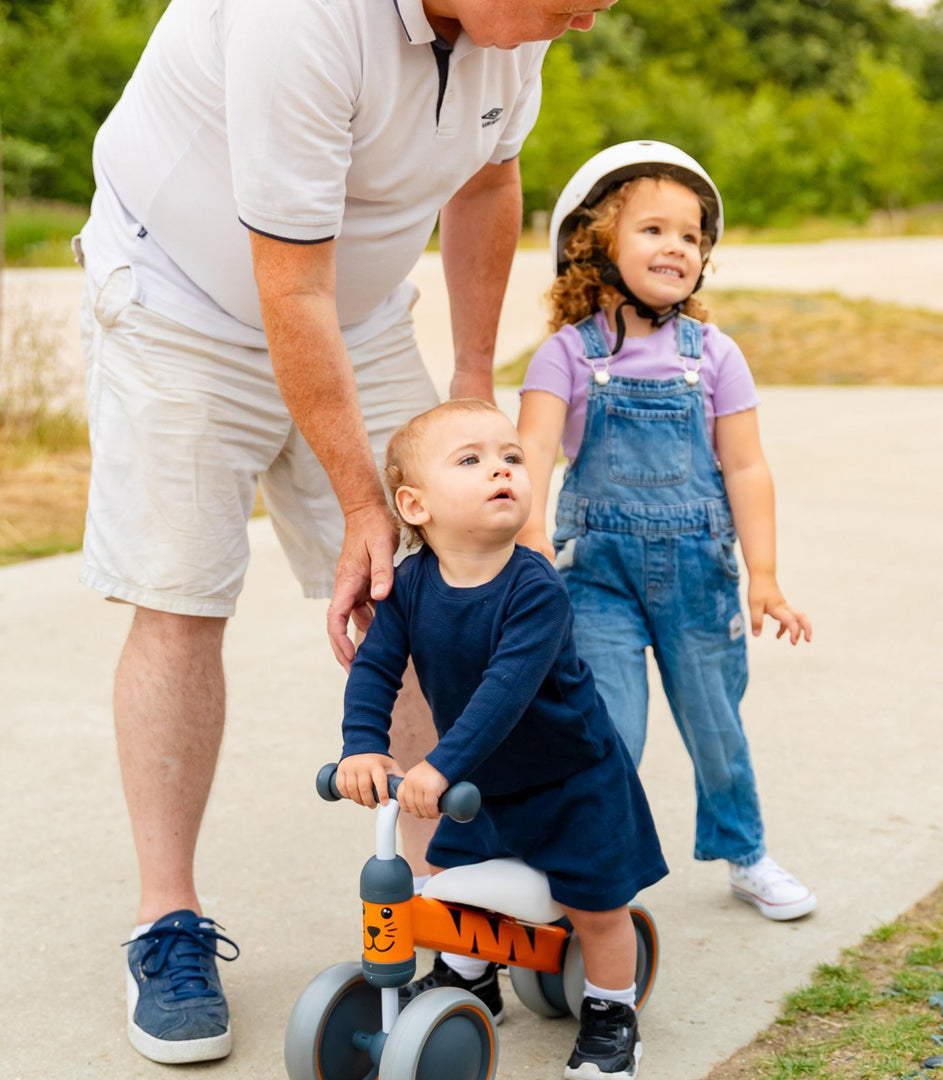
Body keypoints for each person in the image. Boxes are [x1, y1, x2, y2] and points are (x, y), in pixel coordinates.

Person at [75, 0, 617, 1064]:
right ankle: (167, 923)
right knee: (182, 597)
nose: (591, 17)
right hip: (186, 307)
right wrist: (364, 502)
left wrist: (466, 380)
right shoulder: (304, 19)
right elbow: (290, 278)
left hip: (358, 315)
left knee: (444, 580)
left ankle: (435, 892)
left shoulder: (519, 27)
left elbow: (486, 179)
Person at [515, 141, 817, 925]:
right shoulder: (563, 358)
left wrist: (766, 575)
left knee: (717, 724)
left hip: (700, 576)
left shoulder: (715, 355)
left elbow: (746, 470)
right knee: (607, 730)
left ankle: (744, 852)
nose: (676, 247)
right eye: (653, 229)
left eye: (691, 236)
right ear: (596, 244)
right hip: (596, 580)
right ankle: (592, 871)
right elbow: (533, 459)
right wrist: (531, 549)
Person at [336, 398, 667, 1080]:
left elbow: (505, 692)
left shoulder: (534, 588)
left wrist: (439, 761)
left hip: (569, 778)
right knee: (454, 885)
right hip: (482, 784)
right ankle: (469, 980)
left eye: (512, 457)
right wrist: (364, 745)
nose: (502, 470)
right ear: (415, 505)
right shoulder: (410, 587)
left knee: (595, 906)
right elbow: (375, 668)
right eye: (472, 460)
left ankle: (612, 1013)